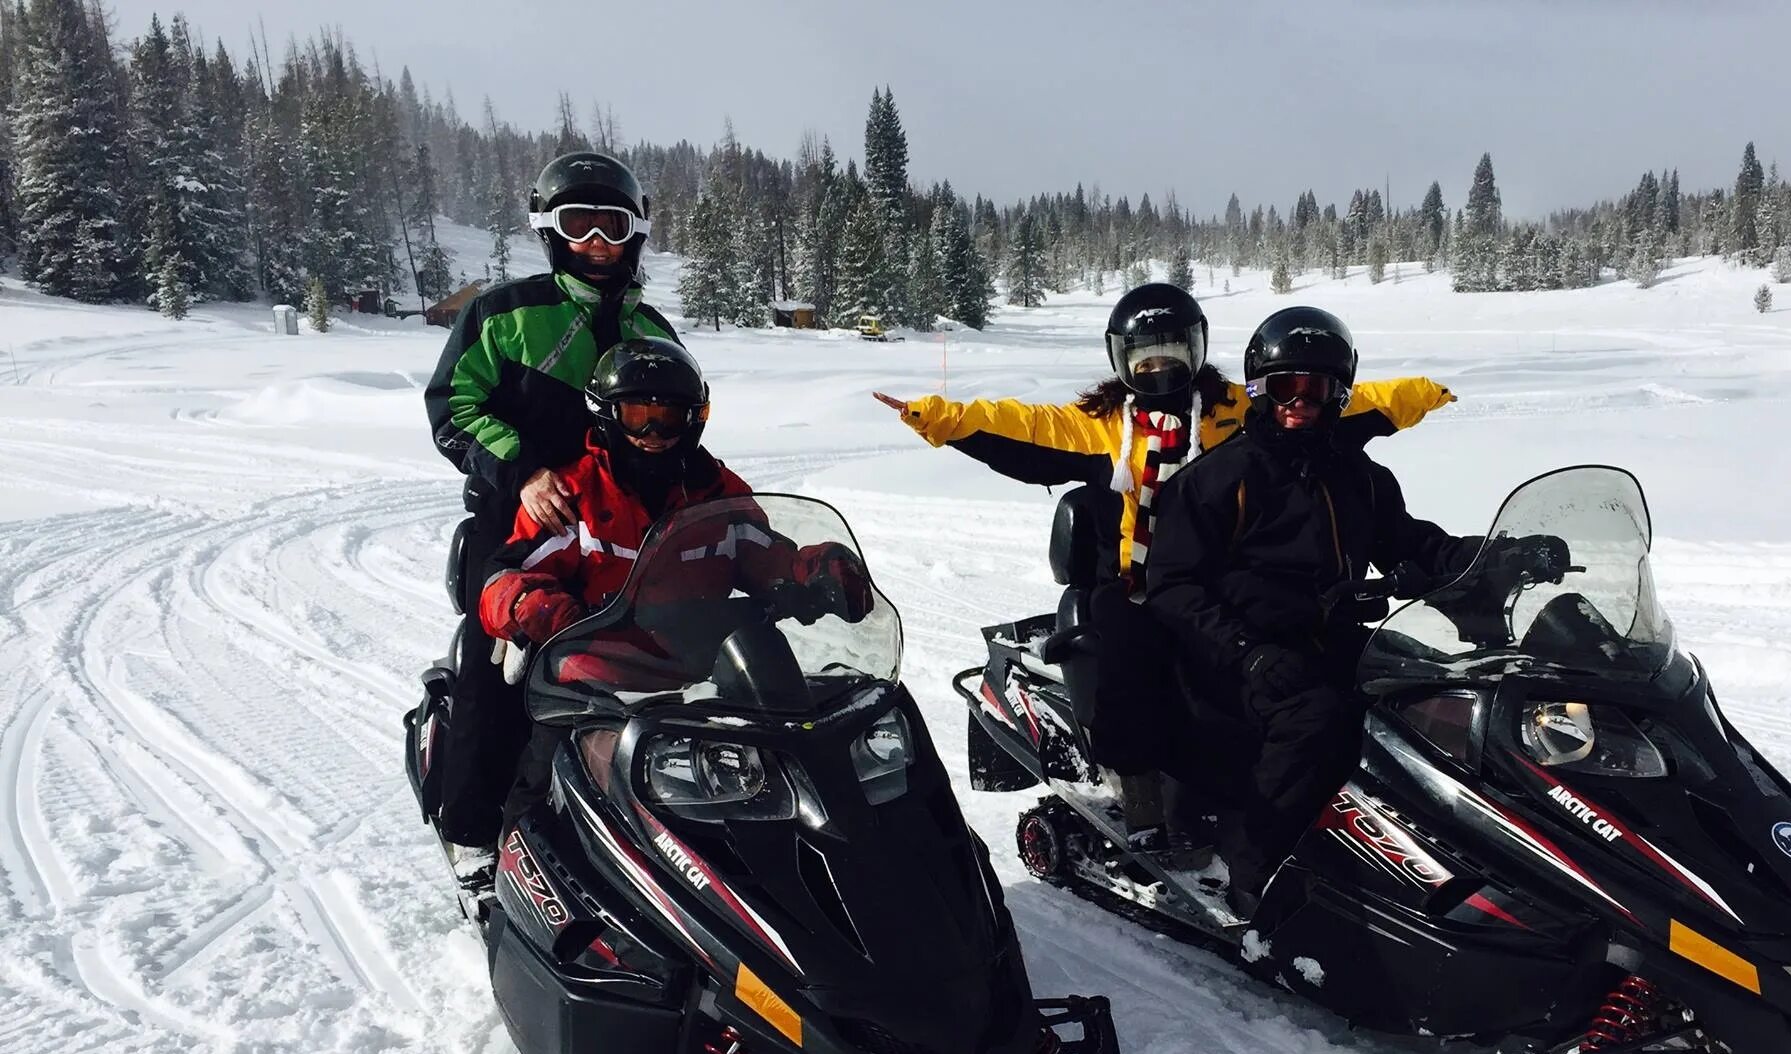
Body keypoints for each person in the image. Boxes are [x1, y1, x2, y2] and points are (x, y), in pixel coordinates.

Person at [874, 283, 1453, 847]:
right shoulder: (1101, 425)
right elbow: (1019, 429)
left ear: (1197, 349)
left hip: (1218, 578)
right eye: (1144, 359)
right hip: (1135, 583)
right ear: (1121, 360)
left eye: (1173, 354)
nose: (1159, 370)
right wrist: (938, 416)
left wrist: (1422, 393)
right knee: (1130, 656)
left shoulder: (1231, 410)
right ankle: (1139, 789)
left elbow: (1338, 402)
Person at [1144, 306, 1559, 916]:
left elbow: (1417, 544)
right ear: (1260, 388)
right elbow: (1173, 585)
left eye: (1318, 389)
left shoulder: (1359, 476)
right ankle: (1252, 867)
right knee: (1313, 718)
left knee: (1434, 696)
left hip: (1328, 634)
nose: (1300, 402)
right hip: (1234, 653)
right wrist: (1246, 651)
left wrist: (1500, 556)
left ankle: (1438, 848)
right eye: (1287, 386)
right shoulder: (1218, 477)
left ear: (1339, 395)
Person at [480, 337, 871, 832]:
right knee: (549, 781)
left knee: (793, 753)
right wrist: (534, 605)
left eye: (669, 416)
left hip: (704, 671)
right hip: (600, 677)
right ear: (605, 413)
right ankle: (517, 873)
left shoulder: (715, 489)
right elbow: (505, 578)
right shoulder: (573, 492)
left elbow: (764, 553)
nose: (653, 431)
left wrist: (815, 574)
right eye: (637, 413)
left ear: (695, 418)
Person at [423, 149, 677, 880]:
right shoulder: (504, 314)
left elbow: (679, 426)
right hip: (514, 529)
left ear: (634, 233)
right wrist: (522, 472)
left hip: (624, 536)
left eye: (612, 224)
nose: (597, 239)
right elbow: (454, 409)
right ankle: (473, 837)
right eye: (580, 223)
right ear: (551, 230)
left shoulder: (654, 328)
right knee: (496, 676)